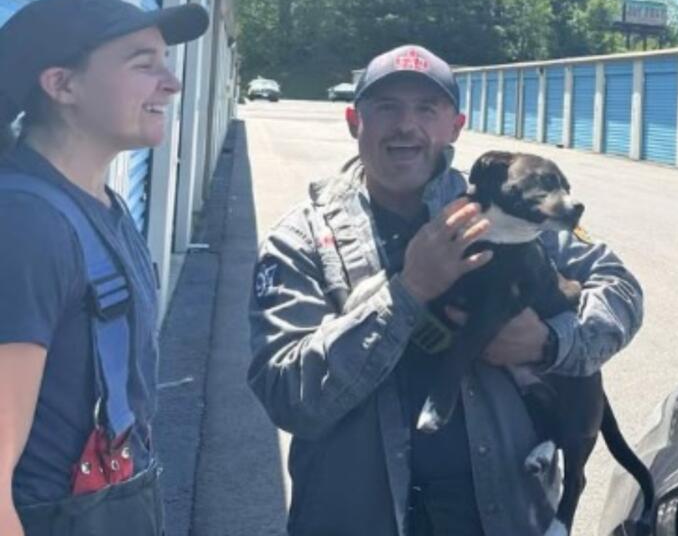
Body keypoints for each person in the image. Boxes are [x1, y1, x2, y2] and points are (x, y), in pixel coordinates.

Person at [247, 44, 643, 536]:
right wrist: (407, 293)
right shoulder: (303, 239)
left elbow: (621, 289)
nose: (406, 126)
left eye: (427, 109)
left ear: (456, 126)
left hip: (499, 516)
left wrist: (551, 342)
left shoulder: (509, 209)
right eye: (387, 106)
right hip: (354, 517)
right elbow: (288, 395)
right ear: (354, 121)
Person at [0, 0, 208, 536]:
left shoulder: (102, 204)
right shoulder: (26, 225)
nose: (172, 82)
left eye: (166, 62)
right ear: (62, 85)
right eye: (144, 64)